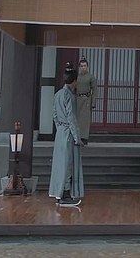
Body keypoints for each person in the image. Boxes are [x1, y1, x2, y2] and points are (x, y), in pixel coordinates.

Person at [48, 62, 85, 207]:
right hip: (68, 132)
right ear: (74, 80)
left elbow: (54, 115)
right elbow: (72, 118)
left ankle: (58, 192)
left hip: (60, 133)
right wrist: (77, 137)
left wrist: (60, 129)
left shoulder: (58, 94)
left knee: (59, 163)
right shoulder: (69, 96)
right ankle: (65, 194)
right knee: (67, 164)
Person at [76, 57, 97, 144]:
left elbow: (94, 89)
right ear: (79, 67)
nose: (83, 67)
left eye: (84, 66)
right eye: (81, 66)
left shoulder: (90, 77)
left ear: (87, 67)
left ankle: (84, 137)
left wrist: (93, 102)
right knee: (76, 119)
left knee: (85, 119)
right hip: (77, 99)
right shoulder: (76, 77)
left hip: (86, 100)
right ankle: (77, 136)